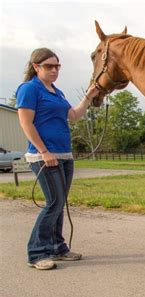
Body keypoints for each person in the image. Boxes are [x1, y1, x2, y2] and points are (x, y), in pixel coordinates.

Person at [16, 48, 99, 270]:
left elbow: (73, 116)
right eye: (49, 66)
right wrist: (44, 152)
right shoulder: (29, 89)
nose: (54, 70)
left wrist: (89, 96)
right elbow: (26, 123)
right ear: (36, 67)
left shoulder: (56, 92)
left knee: (59, 203)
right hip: (44, 156)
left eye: (57, 66)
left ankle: (57, 247)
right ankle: (36, 253)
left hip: (63, 155)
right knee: (54, 203)